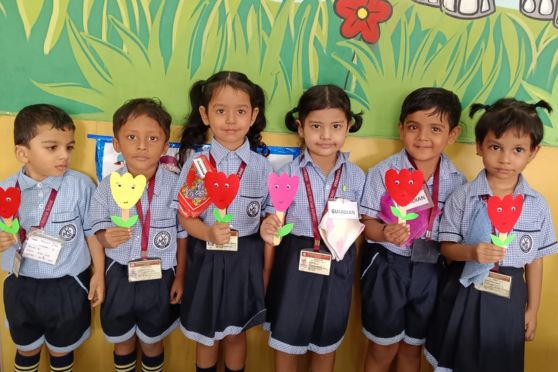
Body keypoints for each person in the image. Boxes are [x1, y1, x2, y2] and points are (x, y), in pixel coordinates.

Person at [425, 98, 557, 372]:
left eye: (518, 149)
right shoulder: (463, 197)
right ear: (479, 147)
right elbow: (447, 248)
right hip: (465, 290)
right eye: (496, 147)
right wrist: (471, 252)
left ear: (533, 152)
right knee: (456, 359)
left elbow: (535, 261)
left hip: (510, 296)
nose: (505, 159)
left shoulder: (536, 205)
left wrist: (533, 309)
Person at [260, 84, 365, 372]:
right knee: (286, 337)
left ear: (348, 127)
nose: (326, 135)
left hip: (337, 262)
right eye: (316, 125)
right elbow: (272, 225)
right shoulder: (288, 173)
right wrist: (268, 228)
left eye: (336, 126)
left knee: (326, 338)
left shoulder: (357, 177)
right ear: (301, 128)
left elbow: (365, 224)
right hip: (294, 259)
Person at [360, 87, 465, 372]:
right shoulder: (382, 172)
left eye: (435, 129)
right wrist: (384, 232)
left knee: (411, 350)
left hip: (431, 269)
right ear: (401, 128)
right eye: (414, 127)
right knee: (382, 349)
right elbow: (367, 224)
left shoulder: (457, 181)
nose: (423, 137)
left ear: (453, 134)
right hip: (387, 267)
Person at [174, 71, 272, 372]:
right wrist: (206, 232)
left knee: (235, 333)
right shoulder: (198, 165)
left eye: (240, 111)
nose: (231, 120)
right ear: (205, 115)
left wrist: (270, 226)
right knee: (206, 335)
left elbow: (271, 216)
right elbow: (185, 216)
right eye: (220, 111)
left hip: (246, 261)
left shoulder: (261, 167)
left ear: (253, 115)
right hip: (205, 259)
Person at [0, 104, 104, 372]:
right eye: (51, 147)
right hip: (21, 285)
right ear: (23, 153)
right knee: (26, 349)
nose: (64, 156)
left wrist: (99, 273)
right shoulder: (5, 190)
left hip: (68, 285)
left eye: (69, 147)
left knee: (62, 350)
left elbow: (92, 232)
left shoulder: (80, 186)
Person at [90, 98, 186, 372]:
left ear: (165, 145)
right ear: (117, 143)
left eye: (152, 138)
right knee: (122, 342)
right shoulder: (108, 186)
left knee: (153, 341)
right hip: (119, 273)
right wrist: (104, 237)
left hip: (161, 276)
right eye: (132, 137)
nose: (142, 145)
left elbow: (182, 234)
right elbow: (96, 225)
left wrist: (180, 276)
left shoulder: (174, 184)